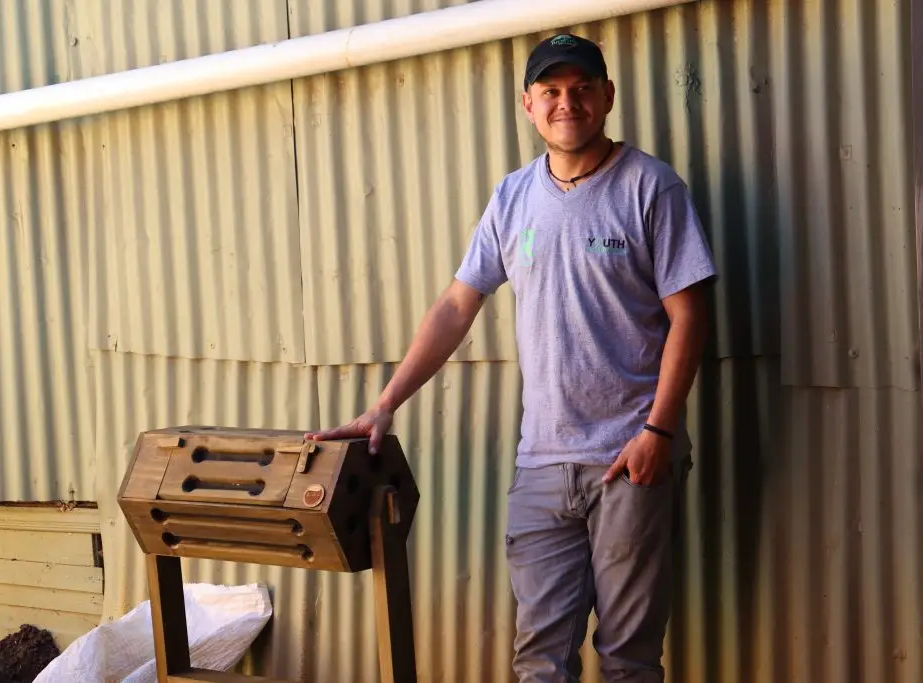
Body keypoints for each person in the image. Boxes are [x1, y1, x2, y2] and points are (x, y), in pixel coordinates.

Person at [306, 33, 717, 683]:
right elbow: (454, 307)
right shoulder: (512, 199)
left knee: (630, 658)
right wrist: (383, 405)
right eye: (550, 91)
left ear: (607, 95)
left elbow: (689, 314)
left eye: (582, 88)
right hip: (542, 467)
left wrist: (659, 431)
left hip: (630, 458)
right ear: (527, 105)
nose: (567, 103)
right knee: (539, 658)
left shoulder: (651, 188)